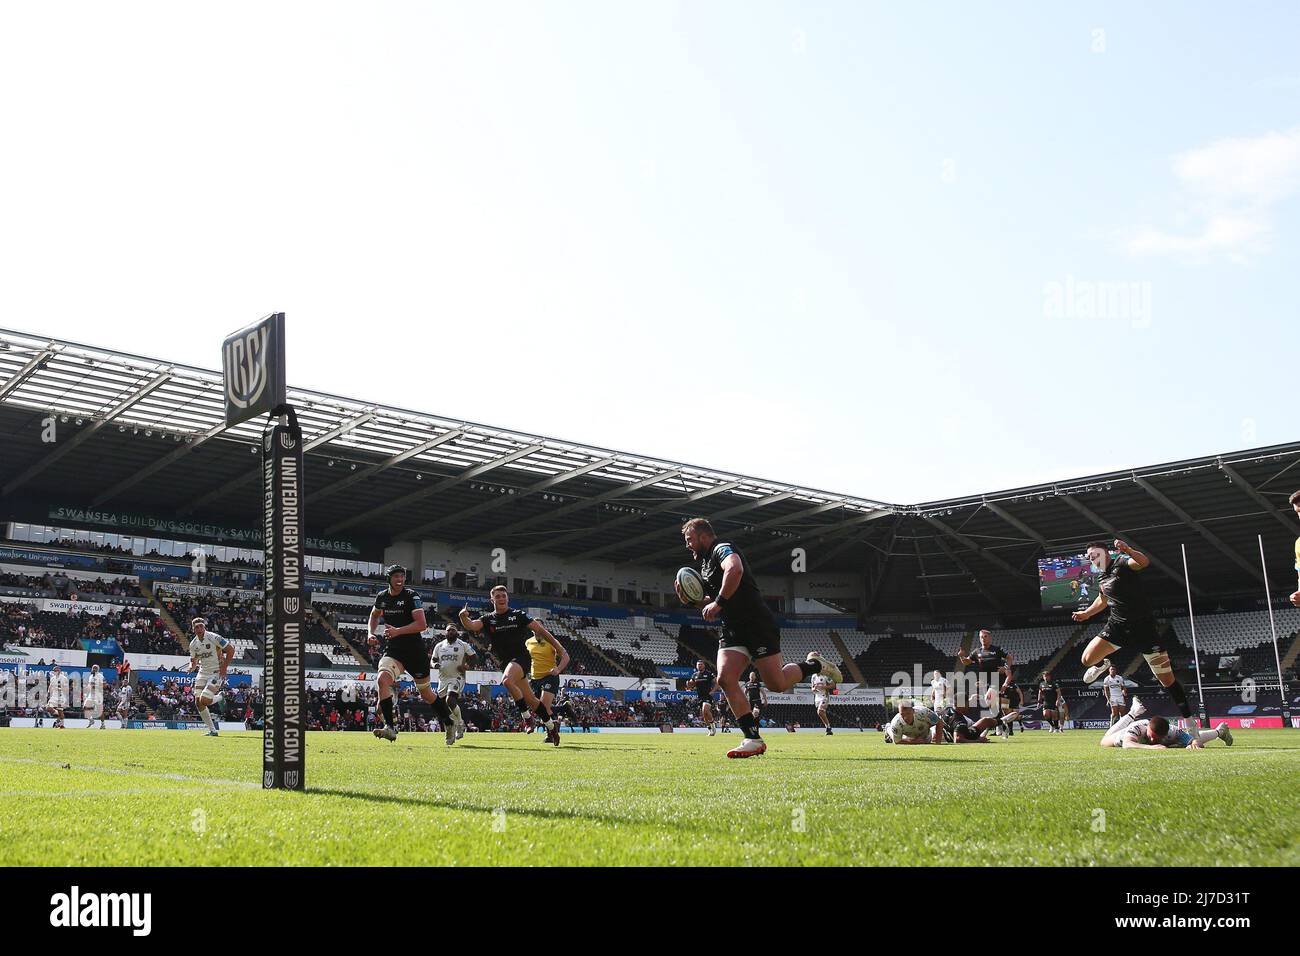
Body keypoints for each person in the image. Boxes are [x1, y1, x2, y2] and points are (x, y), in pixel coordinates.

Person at [675, 518, 841, 758]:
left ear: (703, 537)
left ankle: (816, 665)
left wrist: (718, 603)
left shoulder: (722, 548)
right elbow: (715, 597)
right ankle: (752, 738)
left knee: (777, 684)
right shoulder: (704, 566)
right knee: (725, 678)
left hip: (757, 623)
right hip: (732, 627)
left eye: (689, 540)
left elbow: (735, 570)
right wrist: (692, 601)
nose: (688, 545)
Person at [1075, 540, 1199, 730]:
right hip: (1117, 627)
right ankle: (1104, 663)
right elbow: (1102, 600)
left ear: (1106, 553)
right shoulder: (1101, 577)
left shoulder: (1122, 563)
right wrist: (1086, 614)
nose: (1093, 559)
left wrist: (1127, 549)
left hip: (1144, 630)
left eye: (1095, 554)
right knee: (1086, 659)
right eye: (1090, 557)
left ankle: (1190, 723)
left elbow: (1143, 563)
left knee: (1167, 681)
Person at [458, 585, 562, 745]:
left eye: (503, 596)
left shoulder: (518, 615)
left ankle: (527, 718)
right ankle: (551, 727)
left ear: (507, 598)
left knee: (507, 681)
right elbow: (471, 625)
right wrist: (463, 617)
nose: (501, 599)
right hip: (506, 662)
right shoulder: (488, 619)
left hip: (522, 658)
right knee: (532, 700)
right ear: (492, 599)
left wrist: (558, 647)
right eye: (497, 596)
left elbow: (541, 630)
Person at [369, 565, 455, 742]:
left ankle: (449, 722)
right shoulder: (382, 597)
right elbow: (374, 615)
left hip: (415, 651)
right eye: (396, 576)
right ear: (389, 579)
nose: (400, 579)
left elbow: (422, 624)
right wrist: (370, 632)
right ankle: (390, 728)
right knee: (382, 680)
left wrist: (398, 631)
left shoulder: (411, 596)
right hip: (394, 650)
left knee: (426, 694)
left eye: (402, 576)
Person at [1100, 698, 1233, 749]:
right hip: (1119, 736)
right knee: (1103, 740)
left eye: (1156, 738)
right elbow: (1128, 745)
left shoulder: (1172, 731)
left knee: (1183, 743)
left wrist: (1194, 743)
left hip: (1166, 737)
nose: (1152, 740)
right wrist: (1151, 747)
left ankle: (1219, 731)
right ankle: (1133, 713)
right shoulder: (1138, 728)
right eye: (1151, 736)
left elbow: (1192, 740)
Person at [187, 617, 233, 737]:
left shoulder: (214, 637)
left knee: (205, 700)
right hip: (202, 673)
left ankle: (220, 697)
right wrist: (191, 666)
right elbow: (193, 660)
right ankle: (213, 731)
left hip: (216, 671)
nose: (199, 629)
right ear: (193, 629)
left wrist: (224, 668)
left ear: (204, 627)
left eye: (201, 626)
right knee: (198, 702)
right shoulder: (193, 644)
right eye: (196, 627)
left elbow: (231, 649)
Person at [525, 624, 570, 747]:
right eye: (533, 627)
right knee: (540, 708)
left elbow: (566, 656)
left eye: (538, 626)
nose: (536, 629)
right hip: (534, 679)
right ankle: (554, 726)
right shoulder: (528, 642)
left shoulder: (552, 641)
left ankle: (550, 733)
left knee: (544, 706)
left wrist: (558, 669)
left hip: (550, 677)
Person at [431, 625, 476, 745]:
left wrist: (467, 666)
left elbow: (474, 657)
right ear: (445, 633)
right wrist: (434, 665)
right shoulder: (439, 646)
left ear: (457, 632)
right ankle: (454, 724)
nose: (450, 632)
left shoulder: (463, 645)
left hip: (457, 677)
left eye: (453, 630)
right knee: (442, 707)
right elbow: (433, 660)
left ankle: (460, 723)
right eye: (448, 630)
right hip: (443, 679)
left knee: (450, 700)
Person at [686, 660, 719, 735]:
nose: (699, 666)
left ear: (704, 665)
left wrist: (713, 691)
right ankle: (710, 729)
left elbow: (717, 683)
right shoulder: (694, 675)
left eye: (701, 664)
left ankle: (713, 727)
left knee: (705, 710)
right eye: (698, 665)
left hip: (707, 695)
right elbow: (691, 684)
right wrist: (689, 685)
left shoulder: (709, 674)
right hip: (700, 697)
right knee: (704, 714)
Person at [811, 670, 834, 734]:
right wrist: (814, 689)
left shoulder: (826, 676)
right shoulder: (813, 676)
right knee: (820, 713)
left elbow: (833, 685)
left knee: (820, 711)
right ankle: (828, 727)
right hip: (817, 697)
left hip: (824, 696)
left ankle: (828, 727)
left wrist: (824, 687)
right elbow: (812, 689)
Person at [85, 664, 107, 729]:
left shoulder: (100, 676)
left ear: (98, 670)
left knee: (100, 711)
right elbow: (90, 686)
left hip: (98, 695)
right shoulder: (90, 676)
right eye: (93, 668)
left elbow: (105, 686)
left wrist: (96, 687)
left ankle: (103, 725)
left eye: (95, 668)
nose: (94, 669)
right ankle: (91, 720)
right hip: (91, 695)